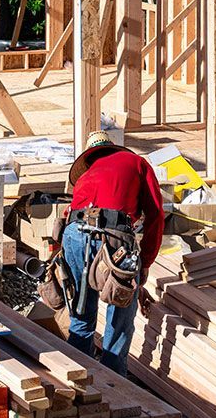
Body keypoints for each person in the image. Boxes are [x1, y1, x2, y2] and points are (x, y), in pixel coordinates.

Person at [58, 131, 164, 374]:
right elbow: (156, 215)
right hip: (114, 234)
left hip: (74, 233)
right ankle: (113, 382)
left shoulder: (87, 174)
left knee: (82, 311)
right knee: (120, 311)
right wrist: (145, 262)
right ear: (114, 148)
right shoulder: (136, 162)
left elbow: (70, 215)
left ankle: (77, 377)